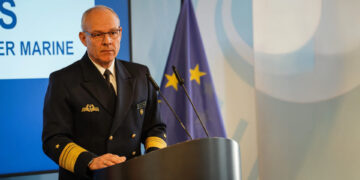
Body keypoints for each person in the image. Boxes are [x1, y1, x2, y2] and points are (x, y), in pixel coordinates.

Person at [42, 5, 167, 180]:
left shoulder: (140, 74)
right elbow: (53, 139)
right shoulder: (63, 80)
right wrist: (90, 162)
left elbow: (155, 126)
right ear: (83, 38)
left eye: (113, 33)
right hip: (89, 176)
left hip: (132, 173)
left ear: (120, 33)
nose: (107, 40)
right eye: (97, 34)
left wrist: (154, 156)